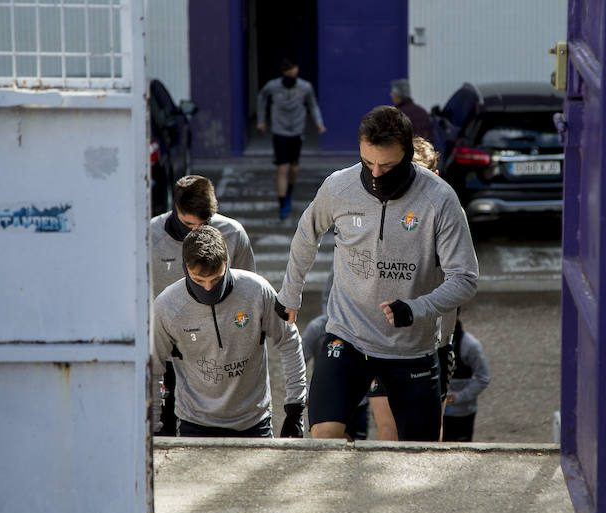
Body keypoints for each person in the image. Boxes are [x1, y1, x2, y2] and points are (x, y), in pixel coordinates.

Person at [275, 105, 479, 442]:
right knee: (324, 435)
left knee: (419, 452)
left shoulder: (440, 199)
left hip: (411, 348)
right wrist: (290, 291)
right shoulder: (338, 187)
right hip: (348, 335)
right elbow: (306, 233)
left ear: (407, 154)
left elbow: (466, 278)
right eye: (367, 163)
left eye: (387, 166)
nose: (375, 174)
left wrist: (417, 308)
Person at [150, 226, 307, 438]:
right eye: (198, 280)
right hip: (195, 422)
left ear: (228, 263)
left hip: (254, 421)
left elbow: (289, 340)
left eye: (216, 279)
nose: (208, 288)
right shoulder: (166, 306)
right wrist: (153, 426)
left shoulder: (257, 291)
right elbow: (153, 368)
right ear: (185, 268)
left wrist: (295, 409)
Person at [150, 175, 256, 434]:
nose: (195, 232)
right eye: (188, 224)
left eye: (204, 224)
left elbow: (248, 294)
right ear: (175, 208)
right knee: (162, 430)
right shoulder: (149, 237)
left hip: (214, 352)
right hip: (167, 346)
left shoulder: (233, 234)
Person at [367, 135, 457, 441]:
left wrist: (443, 337)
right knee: (388, 429)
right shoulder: (384, 210)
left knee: (427, 436)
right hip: (383, 339)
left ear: (435, 175)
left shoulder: (447, 212)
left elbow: (460, 282)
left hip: (432, 344)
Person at [300, 272, 369, 440]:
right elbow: (297, 361)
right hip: (327, 403)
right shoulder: (317, 328)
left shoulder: (367, 328)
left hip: (359, 406)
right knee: (329, 445)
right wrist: (306, 391)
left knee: (357, 448)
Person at [257, 58, 326, 220]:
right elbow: (262, 98)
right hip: (279, 132)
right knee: (282, 168)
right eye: (288, 74)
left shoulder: (305, 87)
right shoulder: (273, 86)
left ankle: (289, 191)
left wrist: (319, 123)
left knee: (294, 168)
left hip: (296, 132)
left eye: (293, 73)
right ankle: (282, 203)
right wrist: (261, 120)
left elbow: (313, 105)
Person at [443, 311, 491, 442]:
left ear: (456, 315)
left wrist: (458, 397)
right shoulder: (429, 342)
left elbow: (483, 378)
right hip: (434, 413)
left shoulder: (470, 345)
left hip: (461, 414)